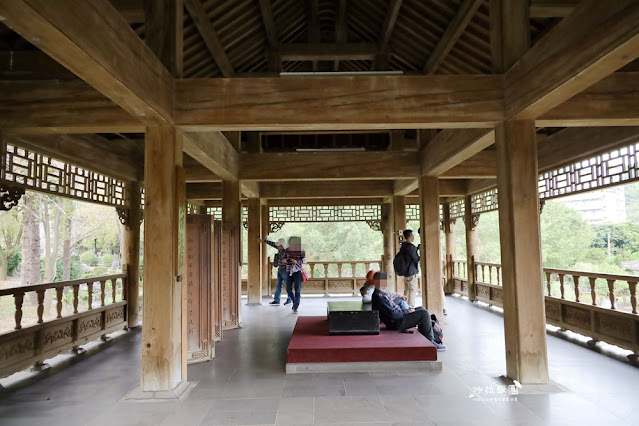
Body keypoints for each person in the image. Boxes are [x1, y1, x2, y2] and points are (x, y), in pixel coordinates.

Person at [371, 271, 445, 351]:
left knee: (421, 309)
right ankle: (430, 342)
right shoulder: (378, 297)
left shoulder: (381, 293)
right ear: (375, 281)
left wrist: (407, 310)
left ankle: (429, 336)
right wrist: (407, 311)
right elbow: (393, 315)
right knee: (424, 314)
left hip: (397, 317)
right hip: (394, 323)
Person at [260, 237, 292, 306]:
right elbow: (272, 244)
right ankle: (276, 300)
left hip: (286, 269)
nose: (278, 246)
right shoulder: (279, 249)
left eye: (279, 245)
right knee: (278, 285)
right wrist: (265, 240)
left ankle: (290, 299)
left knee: (288, 285)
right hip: (280, 269)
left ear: (283, 245)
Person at [398, 229, 420, 308]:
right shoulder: (411, 247)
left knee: (407, 289)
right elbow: (416, 258)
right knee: (412, 290)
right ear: (410, 236)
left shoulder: (403, 246)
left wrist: (416, 249)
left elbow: (409, 254)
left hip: (406, 272)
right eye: (412, 235)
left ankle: (404, 306)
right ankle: (411, 307)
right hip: (411, 272)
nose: (413, 237)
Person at [285, 236, 306, 314]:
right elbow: (284, 259)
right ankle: (294, 302)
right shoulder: (287, 250)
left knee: (297, 290)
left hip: (297, 272)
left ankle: (295, 306)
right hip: (288, 271)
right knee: (288, 289)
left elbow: (304, 260)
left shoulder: (301, 251)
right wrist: (285, 260)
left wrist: (296, 261)